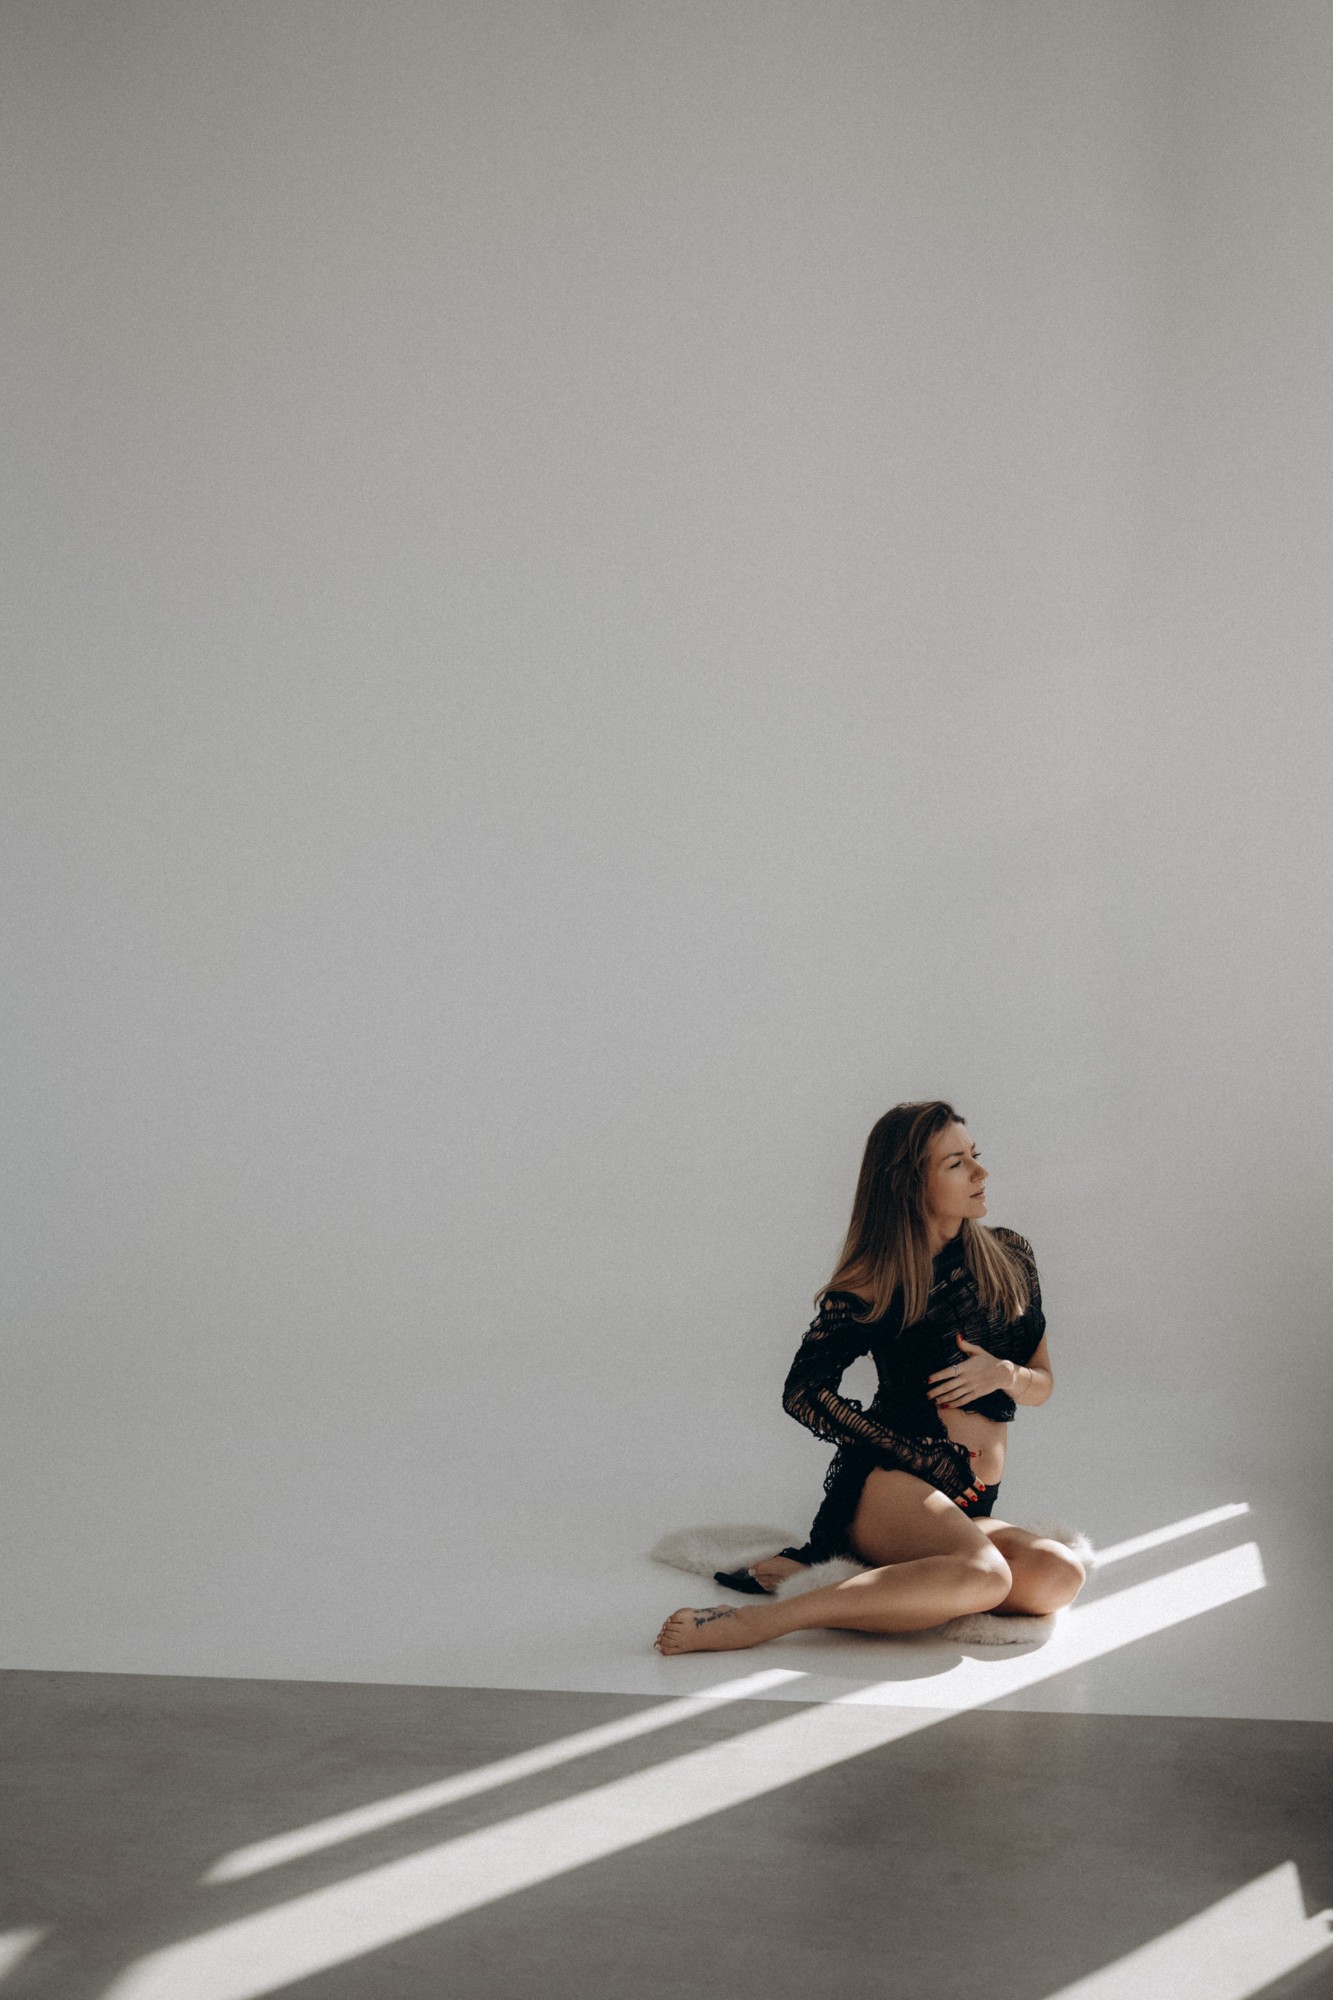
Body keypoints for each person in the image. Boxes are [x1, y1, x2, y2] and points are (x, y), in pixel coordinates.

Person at [654, 1100, 1086, 1655]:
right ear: (910, 1183)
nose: (981, 1172)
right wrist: (917, 1456)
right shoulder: (875, 1281)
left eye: (974, 1155)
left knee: (1058, 1575)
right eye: (956, 1163)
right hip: (891, 1486)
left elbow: (1042, 1384)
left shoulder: (1009, 1257)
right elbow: (805, 1392)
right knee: (986, 1576)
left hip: (969, 1502)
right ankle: (761, 1623)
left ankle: (897, 1582)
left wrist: (1004, 1374)